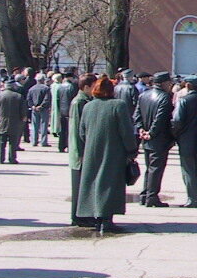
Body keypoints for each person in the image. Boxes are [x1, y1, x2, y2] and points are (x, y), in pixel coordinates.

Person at [76, 75, 139, 234]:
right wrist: (132, 150)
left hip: (92, 151)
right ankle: (106, 219)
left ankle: (96, 217)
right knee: (110, 183)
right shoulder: (118, 106)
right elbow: (126, 131)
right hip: (113, 151)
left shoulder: (88, 107)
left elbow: (82, 132)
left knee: (93, 181)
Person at [171, 75, 197, 208]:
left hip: (186, 139)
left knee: (188, 170)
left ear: (188, 86)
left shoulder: (184, 101)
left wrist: (175, 134)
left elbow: (177, 120)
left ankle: (193, 198)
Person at [135, 71, 175, 207]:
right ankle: (151, 196)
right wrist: (151, 133)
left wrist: (141, 129)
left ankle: (145, 194)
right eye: (169, 83)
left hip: (146, 138)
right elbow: (161, 118)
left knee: (149, 168)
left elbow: (137, 115)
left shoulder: (143, 95)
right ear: (163, 83)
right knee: (156, 168)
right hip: (158, 138)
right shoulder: (164, 98)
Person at [67, 73, 97, 227]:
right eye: (94, 86)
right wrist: (83, 152)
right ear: (86, 87)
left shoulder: (85, 100)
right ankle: (79, 217)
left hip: (81, 152)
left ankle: (83, 215)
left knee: (83, 186)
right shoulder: (80, 102)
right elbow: (80, 130)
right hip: (80, 153)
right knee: (79, 187)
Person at [0, 77, 27, 164]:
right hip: (15, 122)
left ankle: (0, 158)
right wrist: (23, 119)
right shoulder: (19, 96)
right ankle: (12, 158)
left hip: (2, 122)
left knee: (2, 142)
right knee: (13, 142)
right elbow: (23, 111)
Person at [26, 73, 51, 147]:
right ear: (43, 80)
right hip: (44, 109)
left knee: (34, 125)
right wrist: (41, 106)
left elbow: (28, 99)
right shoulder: (46, 88)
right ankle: (43, 142)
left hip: (34, 109)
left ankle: (34, 141)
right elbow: (47, 99)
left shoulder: (31, 89)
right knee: (44, 125)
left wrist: (33, 106)